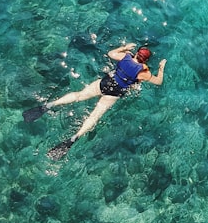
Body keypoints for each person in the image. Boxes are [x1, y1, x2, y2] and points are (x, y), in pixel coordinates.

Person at [23, 44, 167, 159]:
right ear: (145, 61)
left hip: (104, 83)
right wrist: (161, 67)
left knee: (79, 95)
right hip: (114, 94)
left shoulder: (125, 57)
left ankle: (49, 105)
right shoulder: (144, 73)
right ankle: (74, 138)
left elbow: (110, 53)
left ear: (136, 54)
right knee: (94, 116)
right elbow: (159, 82)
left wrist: (124, 48)